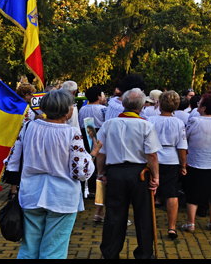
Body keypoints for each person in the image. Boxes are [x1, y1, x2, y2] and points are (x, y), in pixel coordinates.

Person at [6, 89, 94, 259]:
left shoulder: (28, 126)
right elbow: (80, 172)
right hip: (62, 196)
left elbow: (12, 160)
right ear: (67, 110)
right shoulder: (72, 133)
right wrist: (92, 156)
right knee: (54, 250)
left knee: (29, 248)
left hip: (31, 192)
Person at [97, 88, 160, 259]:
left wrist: (101, 173)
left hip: (115, 173)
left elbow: (101, 152)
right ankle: (144, 254)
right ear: (142, 106)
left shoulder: (108, 124)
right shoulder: (146, 125)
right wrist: (156, 177)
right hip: (139, 174)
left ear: (123, 104)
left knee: (114, 215)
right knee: (143, 216)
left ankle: (109, 253)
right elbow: (152, 155)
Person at [146, 91, 188, 239]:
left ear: (159, 104)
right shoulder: (179, 122)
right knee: (172, 194)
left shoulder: (150, 120)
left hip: (153, 157)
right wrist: (183, 165)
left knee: (149, 192)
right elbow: (182, 146)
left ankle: (148, 224)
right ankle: (171, 227)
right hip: (171, 159)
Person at [182, 93, 211, 232]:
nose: (197, 105)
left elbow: (185, 138)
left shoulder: (194, 121)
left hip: (196, 161)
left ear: (204, 107)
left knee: (193, 193)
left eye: (200, 103)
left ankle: (191, 223)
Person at [78, 85, 106, 223]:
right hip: (99, 136)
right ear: (99, 97)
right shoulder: (102, 109)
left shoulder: (83, 108)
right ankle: (95, 190)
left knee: (88, 159)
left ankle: (86, 187)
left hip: (86, 134)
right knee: (99, 166)